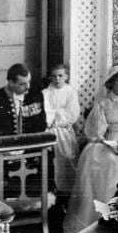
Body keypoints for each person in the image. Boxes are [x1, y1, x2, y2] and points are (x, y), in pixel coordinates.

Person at [63, 63, 118, 233]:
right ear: (111, 83)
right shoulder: (104, 103)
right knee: (105, 159)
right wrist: (110, 144)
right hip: (110, 140)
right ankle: (104, 217)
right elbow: (96, 132)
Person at [0, 63, 47, 188]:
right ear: (11, 83)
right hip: (2, 152)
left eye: (29, 82)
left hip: (30, 150)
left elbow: (41, 124)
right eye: (22, 84)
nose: (28, 87)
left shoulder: (35, 95)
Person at [43, 62, 80, 196]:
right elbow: (45, 113)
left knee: (67, 158)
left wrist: (54, 114)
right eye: (54, 76)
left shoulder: (70, 92)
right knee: (52, 162)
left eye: (60, 75)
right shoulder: (46, 93)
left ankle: (68, 192)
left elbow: (73, 113)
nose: (57, 79)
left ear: (66, 76)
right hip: (50, 131)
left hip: (64, 132)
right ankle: (54, 192)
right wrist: (56, 114)